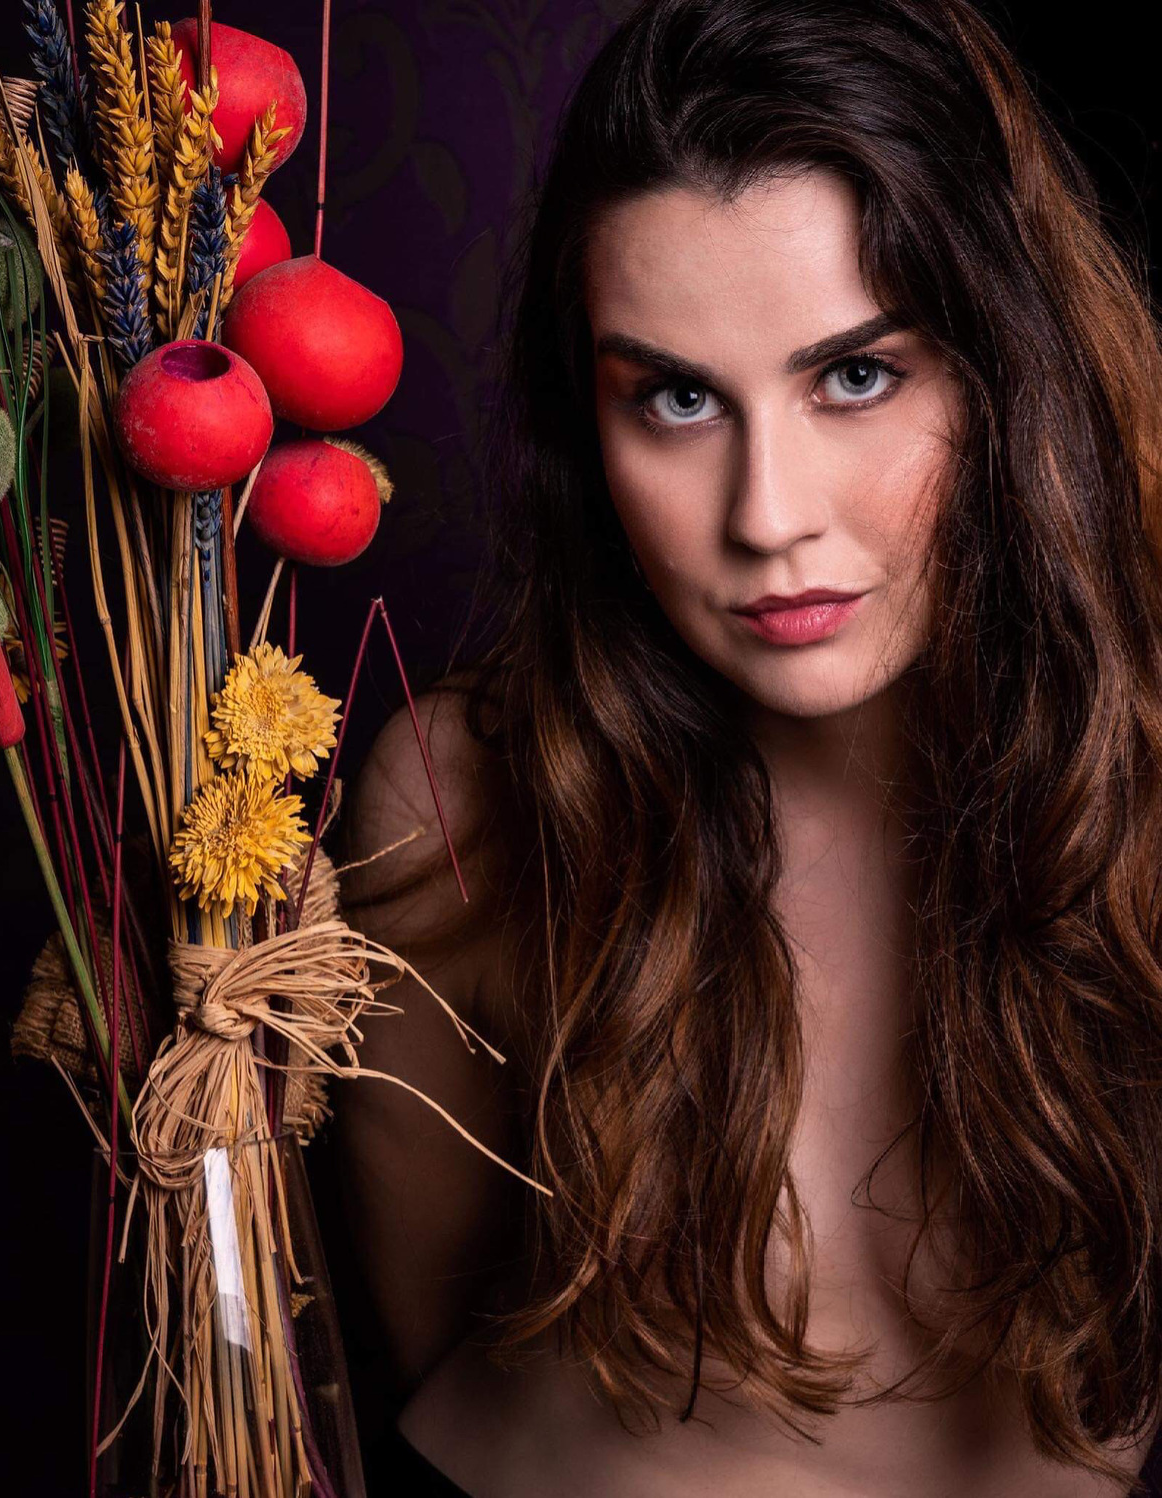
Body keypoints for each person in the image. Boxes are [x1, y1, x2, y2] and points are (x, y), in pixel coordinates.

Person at [333, 0, 1162, 1492]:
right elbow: (413, 1328)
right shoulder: (468, 800)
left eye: (856, 376)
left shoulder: (1137, 792)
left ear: (1010, 370)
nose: (768, 515)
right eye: (678, 398)